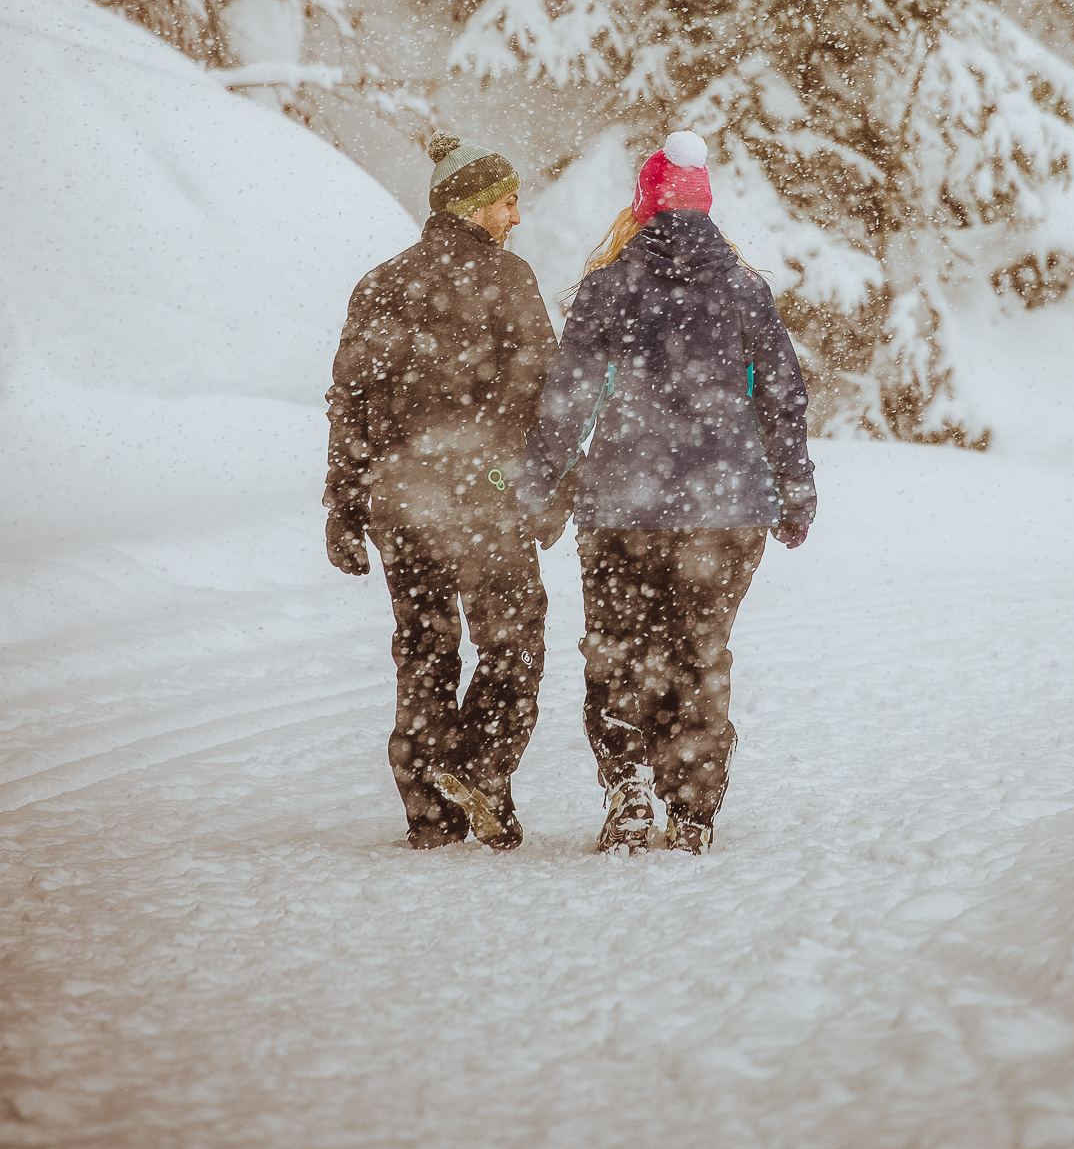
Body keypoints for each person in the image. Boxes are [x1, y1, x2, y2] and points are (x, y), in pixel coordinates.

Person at [519, 130, 817, 855]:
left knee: (617, 651)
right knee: (698, 653)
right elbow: (782, 396)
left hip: (623, 503)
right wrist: (794, 489)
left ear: (644, 205)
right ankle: (691, 810)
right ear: (704, 207)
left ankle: (628, 791)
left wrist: (535, 485)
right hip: (725, 508)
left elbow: (567, 399)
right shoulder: (745, 289)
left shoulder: (609, 285)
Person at [323, 130, 556, 851]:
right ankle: (481, 771)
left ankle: (429, 808)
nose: (517, 218)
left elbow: (350, 401)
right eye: (508, 203)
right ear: (476, 203)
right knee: (513, 643)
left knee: (423, 648)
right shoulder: (507, 280)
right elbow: (543, 391)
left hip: (400, 500)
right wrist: (544, 489)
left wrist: (343, 505)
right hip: (484, 495)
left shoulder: (382, 281)